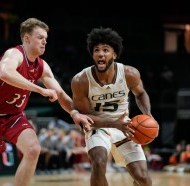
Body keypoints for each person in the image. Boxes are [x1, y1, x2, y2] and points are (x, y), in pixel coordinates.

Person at [0, 18, 93, 186]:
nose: (44, 41)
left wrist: (74, 112)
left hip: (14, 116)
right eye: (40, 37)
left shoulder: (42, 66)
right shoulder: (14, 54)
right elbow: (5, 73)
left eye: (46, 38)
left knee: (33, 149)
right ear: (27, 38)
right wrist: (40, 89)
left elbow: (61, 94)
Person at [71, 27, 153, 186]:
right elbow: (85, 119)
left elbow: (141, 94)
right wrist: (114, 124)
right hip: (98, 126)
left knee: (143, 178)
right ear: (93, 55)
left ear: (114, 54)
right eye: (96, 50)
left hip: (125, 126)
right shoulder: (81, 81)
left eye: (105, 50)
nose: (100, 54)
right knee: (99, 162)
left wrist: (148, 114)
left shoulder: (129, 73)